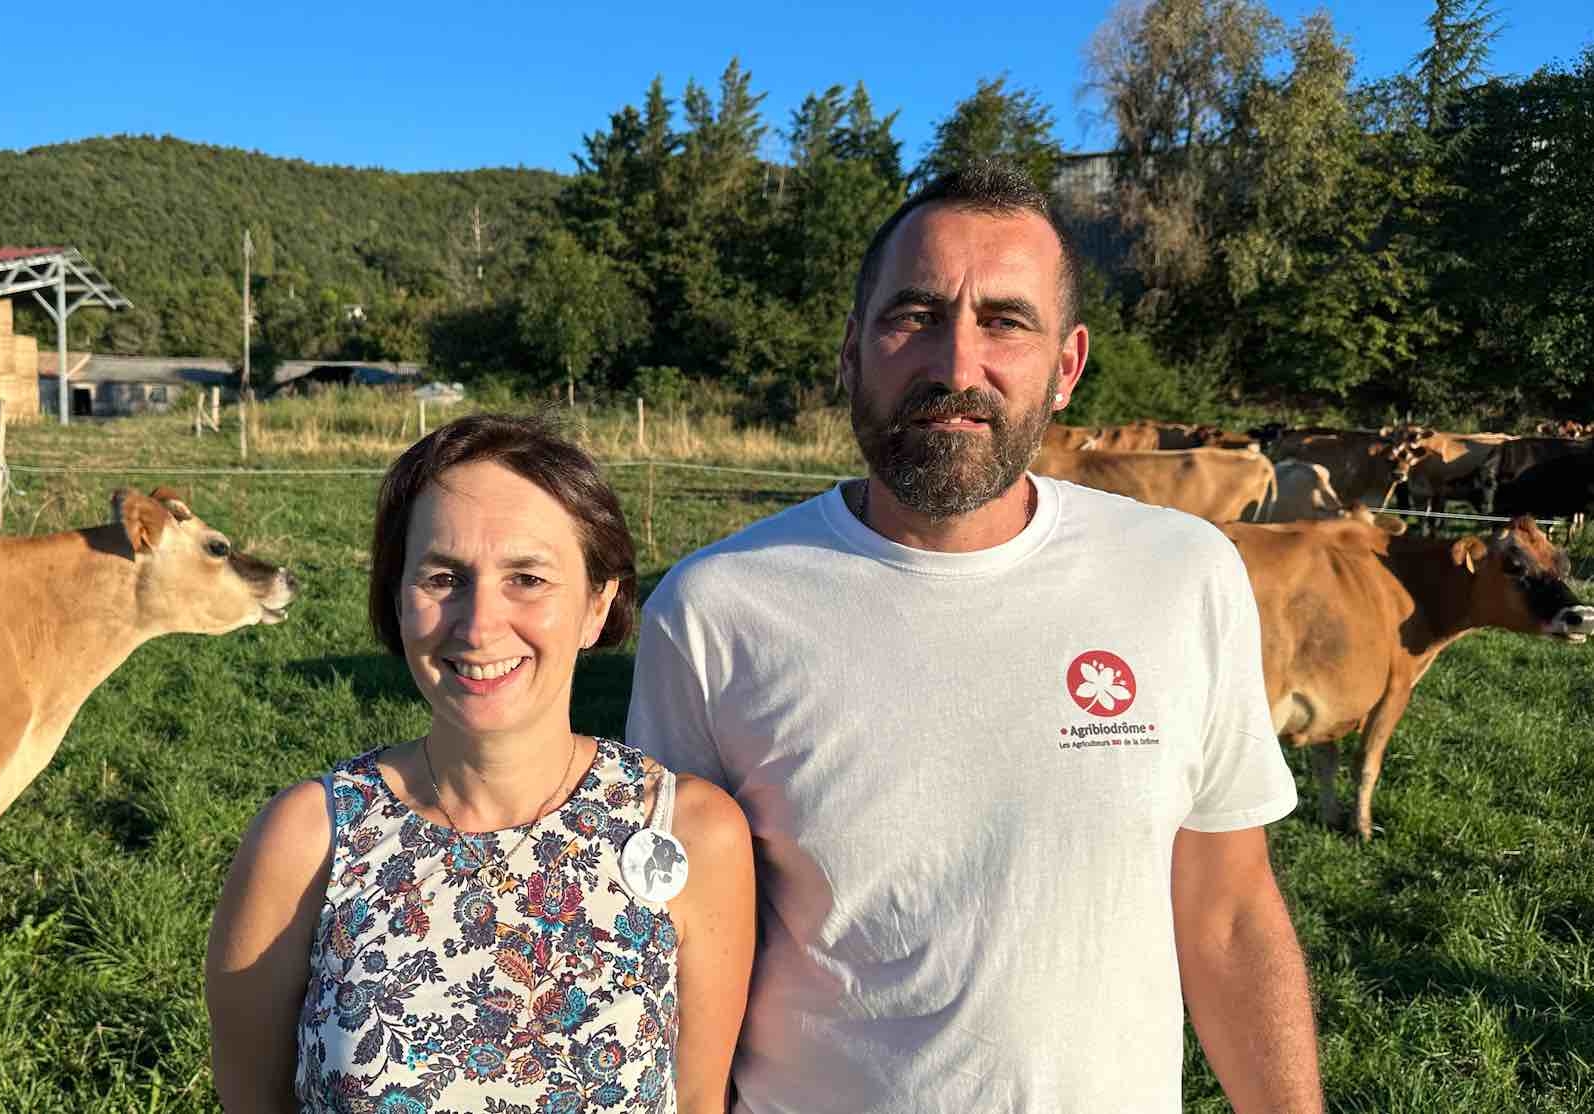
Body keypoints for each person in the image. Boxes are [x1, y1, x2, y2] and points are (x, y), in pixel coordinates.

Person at [626, 162, 1323, 1113]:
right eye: (913, 315)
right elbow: (671, 938)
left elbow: (1231, 909)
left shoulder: (1181, 574)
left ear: (1067, 367)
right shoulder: (715, 610)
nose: (957, 365)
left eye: (1006, 320)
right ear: (851, 352)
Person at [207, 413, 756, 1113]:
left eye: (527, 578)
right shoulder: (308, 841)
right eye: (443, 577)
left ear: (598, 605)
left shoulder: (691, 835)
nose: (479, 625)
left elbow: (699, 1102)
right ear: (396, 599)